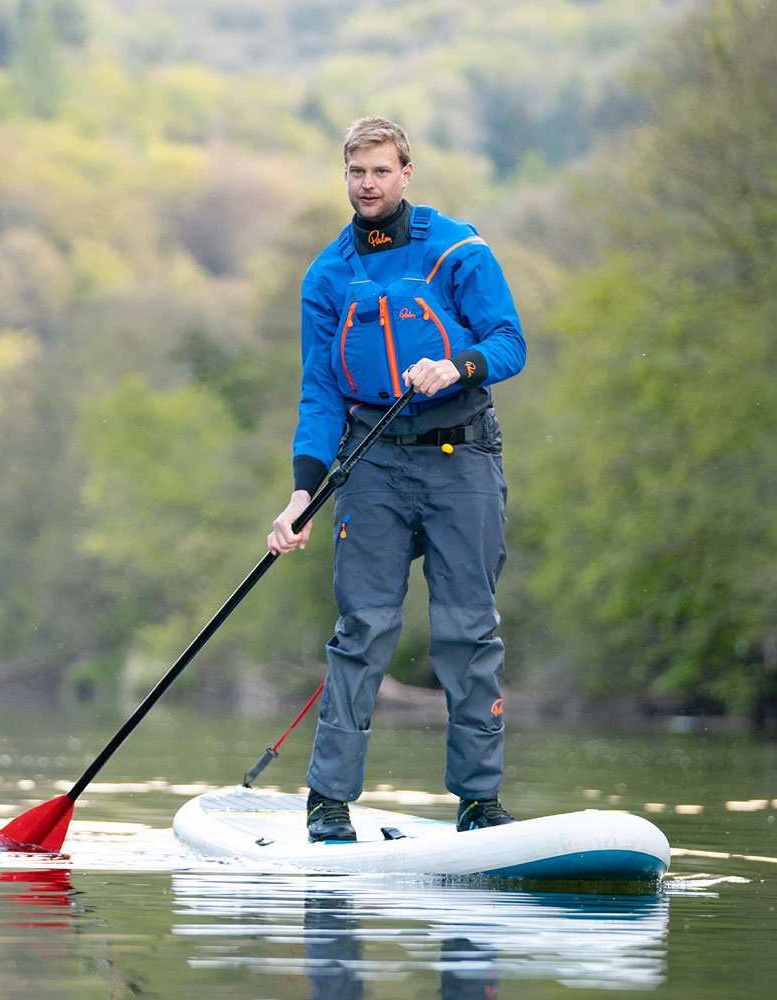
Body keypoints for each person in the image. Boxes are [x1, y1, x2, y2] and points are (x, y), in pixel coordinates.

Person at [267, 117, 526, 841]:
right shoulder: (327, 276)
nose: (368, 185)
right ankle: (328, 803)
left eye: (381, 171)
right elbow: (319, 393)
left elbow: (509, 340)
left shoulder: (458, 250)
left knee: (467, 633)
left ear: (406, 172)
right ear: (345, 177)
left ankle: (479, 804)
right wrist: (303, 492)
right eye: (356, 173)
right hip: (373, 462)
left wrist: (458, 366)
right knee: (363, 629)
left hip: (462, 455)